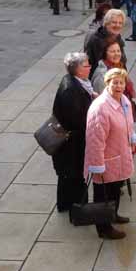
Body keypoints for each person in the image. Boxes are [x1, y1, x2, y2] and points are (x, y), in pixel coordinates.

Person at [85, 68, 136, 240]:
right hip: (105, 160)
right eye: (115, 82)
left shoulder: (123, 100)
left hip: (119, 155)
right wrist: (97, 165)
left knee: (114, 190)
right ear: (107, 83)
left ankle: (113, 215)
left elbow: (128, 124)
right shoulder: (100, 108)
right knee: (103, 195)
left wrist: (132, 138)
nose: (118, 86)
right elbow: (95, 140)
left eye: (121, 82)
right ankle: (104, 228)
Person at [52, 52, 95, 211]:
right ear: (77, 69)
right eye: (86, 65)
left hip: (71, 141)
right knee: (75, 175)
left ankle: (65, 205)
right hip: (72, 143)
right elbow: (78, 119)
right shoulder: (71, 90)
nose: (90, 67)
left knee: (67, 176)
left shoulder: (75, 82)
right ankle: (77, 208)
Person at [91, 37, 136, 121]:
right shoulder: (102, 75)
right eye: (112, 51)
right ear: (105, 53)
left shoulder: (119, 66)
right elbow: (102, 103)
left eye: (118, 51)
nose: (117, 54)